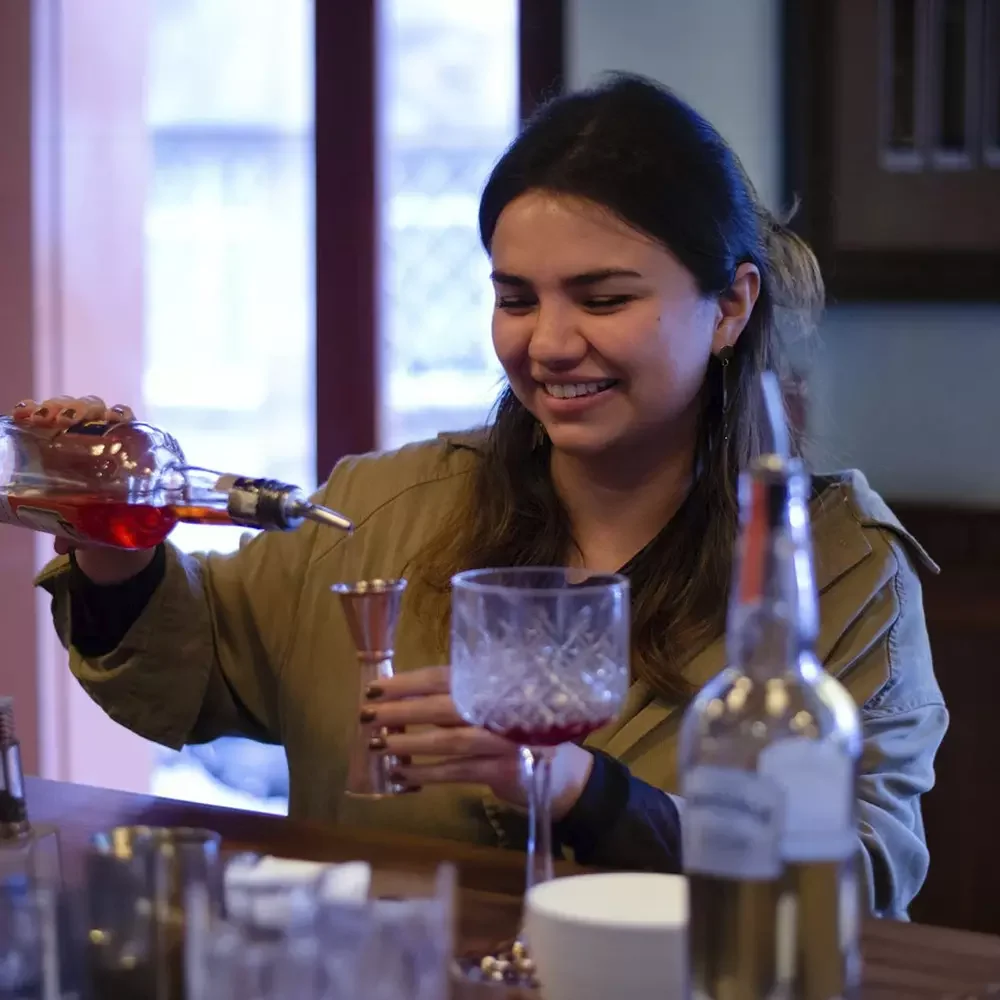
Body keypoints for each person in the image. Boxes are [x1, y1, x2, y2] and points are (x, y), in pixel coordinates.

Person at [16, 74, 946, 919]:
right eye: (516, 297)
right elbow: (193, 673)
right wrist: (115, 537)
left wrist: (583, 790)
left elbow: (851, 883)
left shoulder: (837, 569)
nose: (547, 343)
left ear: (731, 307)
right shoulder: (386, 505)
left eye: (603, 298)